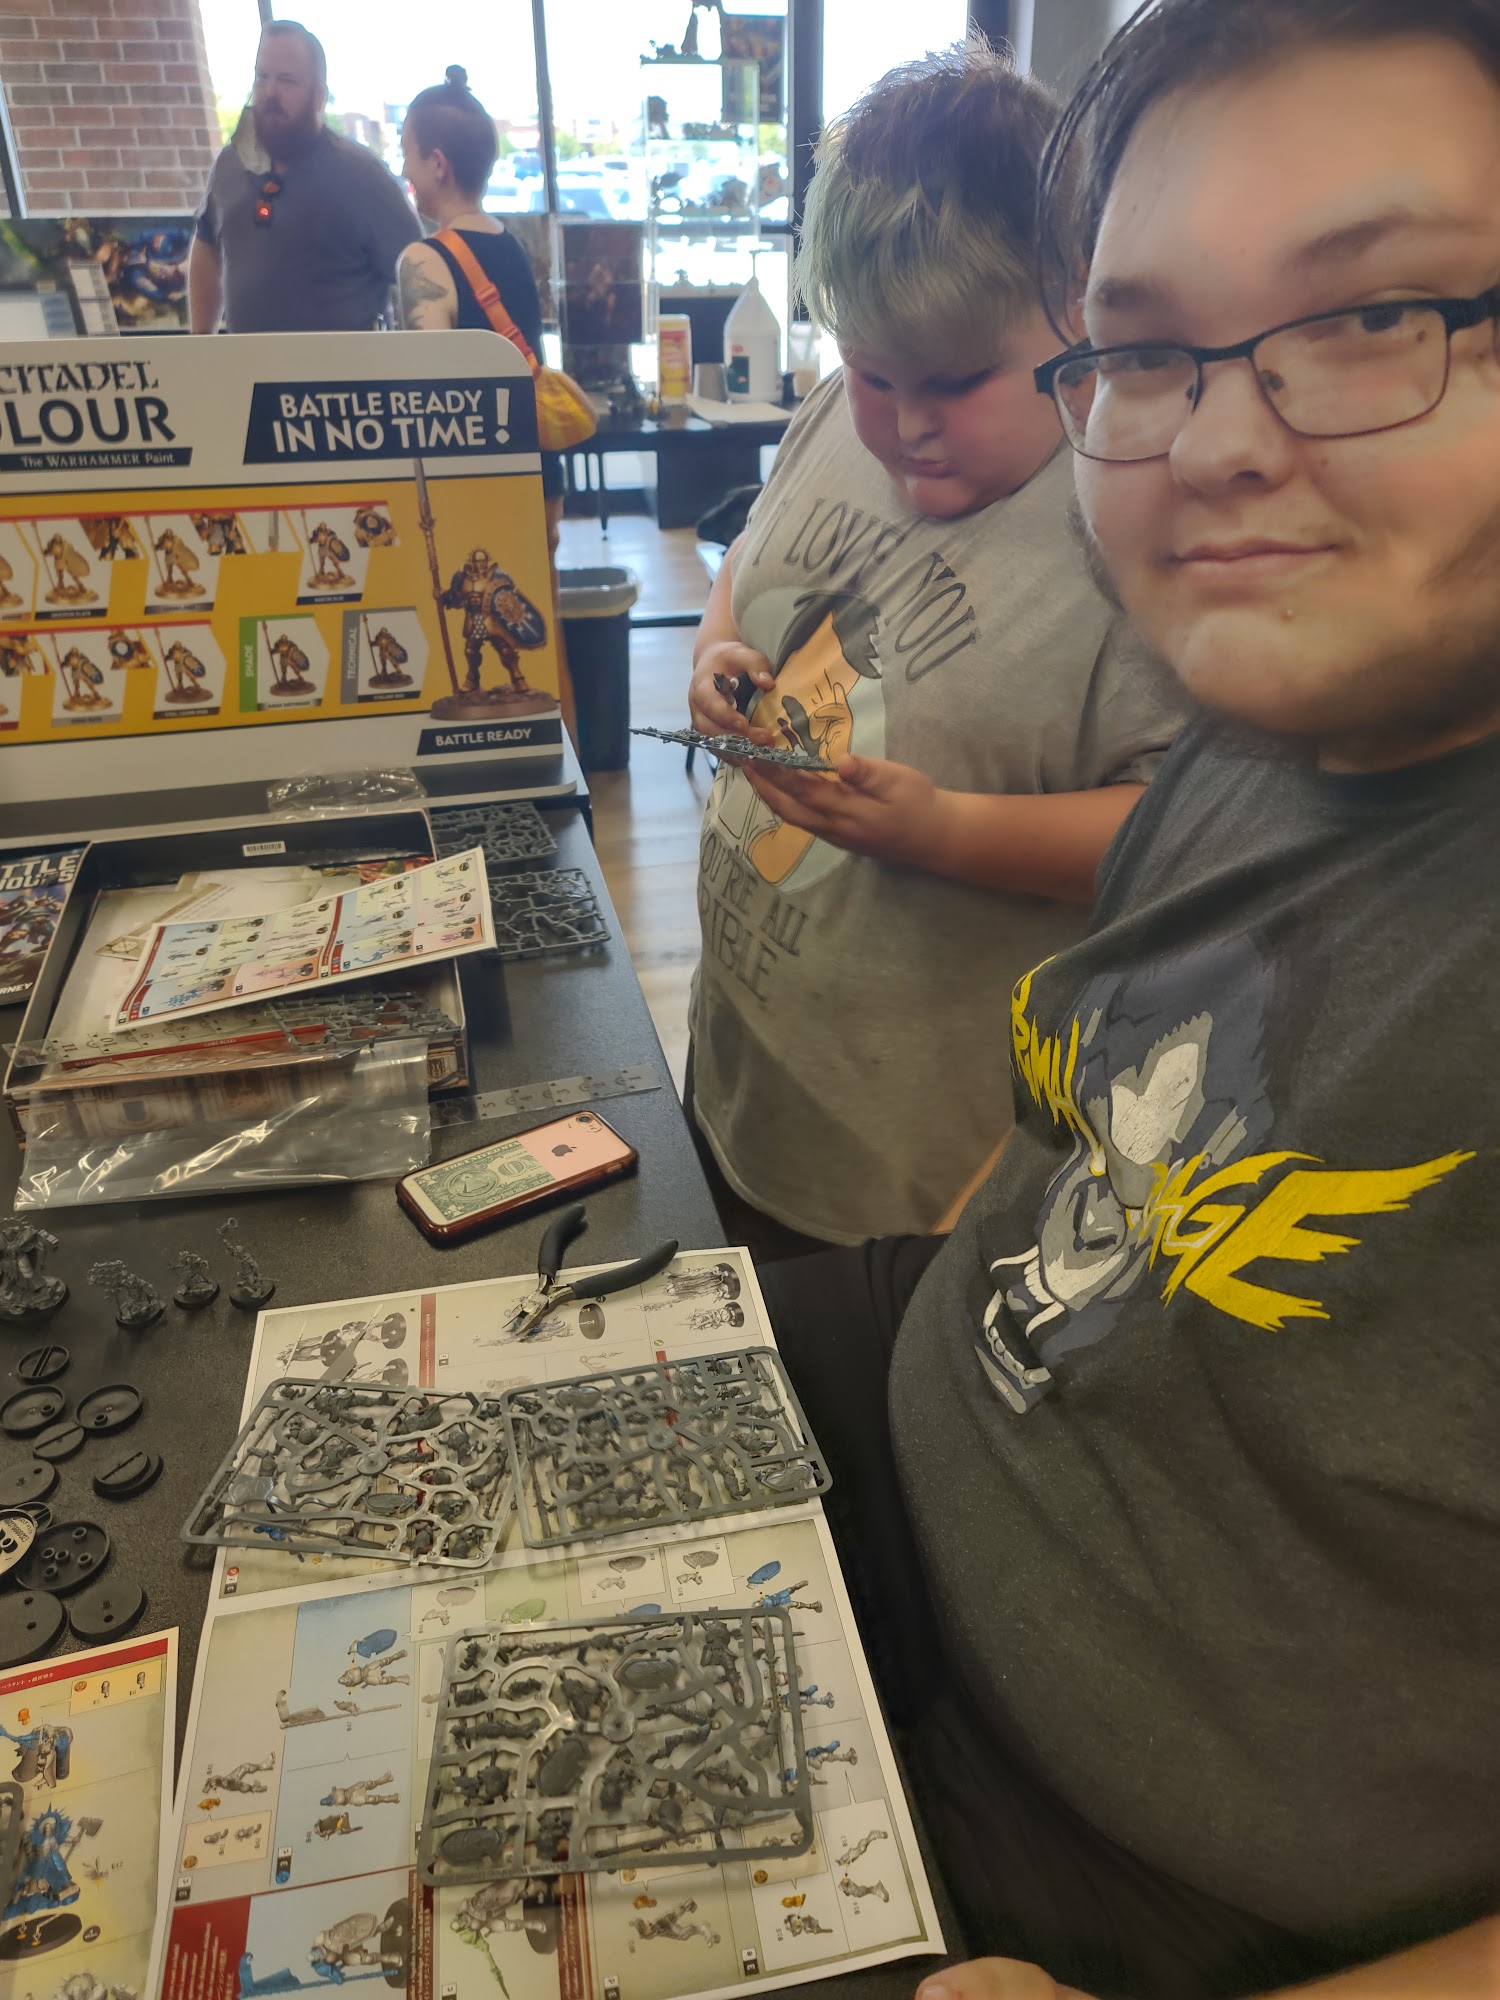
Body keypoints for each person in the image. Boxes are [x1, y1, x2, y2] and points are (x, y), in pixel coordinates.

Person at [760, 4, 1500, 1996]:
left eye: (1380, 313)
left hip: (1115, 1877)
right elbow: (1051, 1148)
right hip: (899, 1435)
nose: (1222, 442)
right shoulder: (1258, 727)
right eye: (1152, 350)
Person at [684, 45, 1188, 1259]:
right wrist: (715, 657)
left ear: (1073, 310)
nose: (907, 424)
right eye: (874, 374)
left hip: (913, 1186)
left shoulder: (1140, 525)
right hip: (738, 1082)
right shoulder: (832, 414)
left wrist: (943, 830)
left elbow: (1189, 832)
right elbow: (749, 574)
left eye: (957, 383)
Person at [396, 67, 575, 735]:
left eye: (408, 153)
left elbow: (433, 386)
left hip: (478, 482)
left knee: (483, 647)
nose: (405, 170)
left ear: (437, 163)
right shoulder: (511, 245)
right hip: (539, 469)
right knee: (543, 635)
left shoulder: (424, 259)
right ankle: (568, 760)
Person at [189, 19, 419, 335]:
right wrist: (200, 341)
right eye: (262, 76)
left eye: (287, 80)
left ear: (319, 95)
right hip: (247, 364)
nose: (270, 92)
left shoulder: (362, 176)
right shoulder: (230, 163)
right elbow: (206, 245)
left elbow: (419, 275)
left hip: (342, 366)